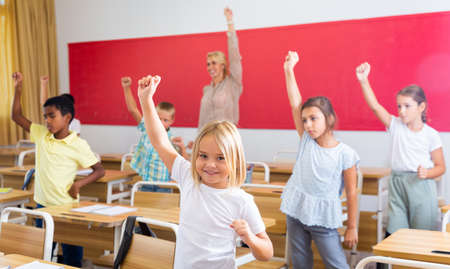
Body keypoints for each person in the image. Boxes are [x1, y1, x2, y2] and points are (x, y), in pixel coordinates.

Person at [137, 74, 273, 268]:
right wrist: (146, 99)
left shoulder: (241, 201)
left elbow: (267, 252)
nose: (210, 164)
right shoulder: (188, 177)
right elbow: (159, 140)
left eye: (220, 158)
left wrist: (250, 238)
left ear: (235, 161)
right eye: (203, 156)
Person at [11, 72, 105, 267]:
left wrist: (79, 184)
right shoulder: (42, 134)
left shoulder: (78, 144)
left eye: (52, 116)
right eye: (45, 116)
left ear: (67, 117)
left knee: (73, 258)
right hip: (43, 207)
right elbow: (16, 116)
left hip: (69, 209)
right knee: (43, 255)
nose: (47, 121)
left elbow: (99, 170)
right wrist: (18, 89)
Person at [280, 51, 359, 269]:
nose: (307, 124)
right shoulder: (306, 140)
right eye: (304, 120)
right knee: (300, 260)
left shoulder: (345, 153)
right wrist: (289, 70)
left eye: (313, 118)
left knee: (336, 264)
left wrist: (352, 226)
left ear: (329, 119)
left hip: (323, 216)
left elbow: (352, 192)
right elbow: (295, 102)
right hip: (296, 210)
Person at [356, 62, 446, 236]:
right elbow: (375, 107)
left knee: (422, 235)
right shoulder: (395, 125)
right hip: (397, 183)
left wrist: (427, 173)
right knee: (395, 232)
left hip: (421, 186)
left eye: (407, 106)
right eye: (399, 106)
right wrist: (363, 81)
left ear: (421, 107)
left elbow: (441, 167)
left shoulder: (431, 135)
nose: (402, 111)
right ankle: (389, 263)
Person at [121, 76, 187, 192]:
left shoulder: (172, 140)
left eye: (165, 120)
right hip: (145, 181)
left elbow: (183, 165)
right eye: (158, 118)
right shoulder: (147, 127)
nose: (161, 122)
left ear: (172, 121)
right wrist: (127, 88)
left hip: (164, 185)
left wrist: (182, 148)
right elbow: (133, 109)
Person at [197, 7, 243, 129]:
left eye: (214, 63)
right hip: (207, 138)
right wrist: (198, 139)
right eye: (208, 64)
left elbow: (234, 56)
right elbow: (202, 120)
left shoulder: (233, 84)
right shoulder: (206, 89)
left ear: (222, 65)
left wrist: (230, 22)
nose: (210, 67)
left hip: (225, 138)